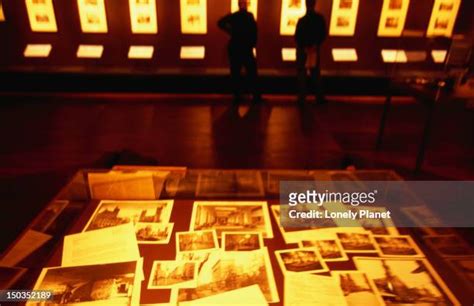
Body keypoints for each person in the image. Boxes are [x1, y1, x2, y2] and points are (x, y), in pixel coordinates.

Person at [218, 0, 261, 104]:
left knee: (235, 73)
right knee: (251, 72)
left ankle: (237, 97)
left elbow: (220, 23)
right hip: (246, 48)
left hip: (235, 47)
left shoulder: (235, 16)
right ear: (246, 5)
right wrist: (252, 43)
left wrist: (231, 32)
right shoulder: (250, 16)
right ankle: (255, 96)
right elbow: (255, 31)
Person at [295, 0, 327, 104]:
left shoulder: (302, 20)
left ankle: (302, 98)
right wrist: (315, 44)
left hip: (303, 50)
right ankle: (319, 97)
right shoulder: (319, 19)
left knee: (302, 74)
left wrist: (304, 46)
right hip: (314, 49)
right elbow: (323, 33)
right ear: (315, 4)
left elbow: (297, 36)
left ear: (306, 5)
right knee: (315, 73)